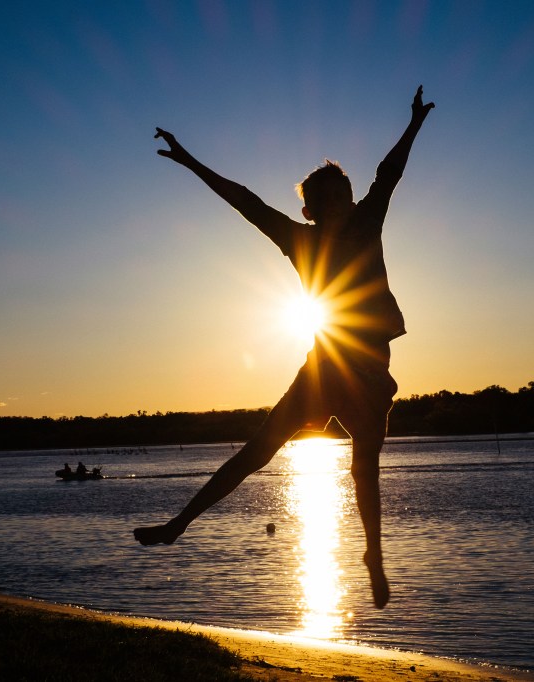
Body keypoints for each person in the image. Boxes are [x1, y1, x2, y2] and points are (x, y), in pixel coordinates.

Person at [134, 86, 435, 609]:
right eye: (327, 201)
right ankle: (178, 525)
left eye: (343, 195)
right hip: (323, 368)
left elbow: (389, 174)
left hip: (367, 368)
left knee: (365, 463)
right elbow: (245, 201)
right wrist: (187, 160)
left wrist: (413, 125)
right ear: (310, 210)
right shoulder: (297, 238)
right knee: (258, 451)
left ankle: (373, 557)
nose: (340, 205)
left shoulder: (367, 221)